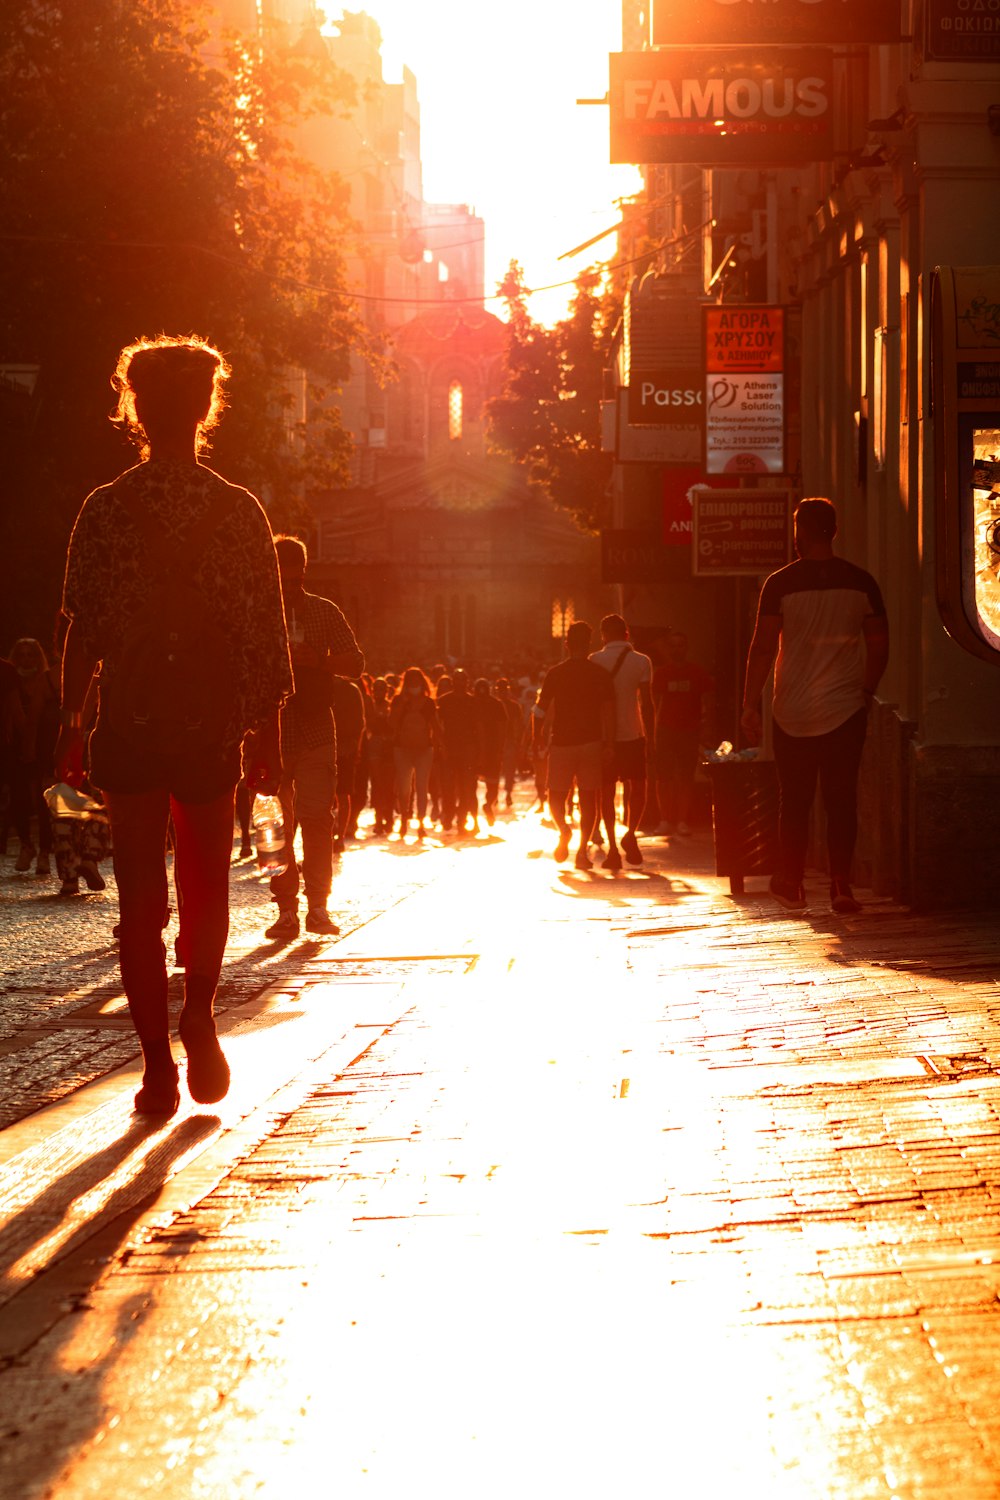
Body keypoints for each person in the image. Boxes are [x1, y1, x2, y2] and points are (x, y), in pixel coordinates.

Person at [56, 334, 292, 1117]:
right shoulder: (239, 512)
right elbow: (266, 634)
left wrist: (70, 722)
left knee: (139, 907)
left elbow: (80, 629)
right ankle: (202, 1011)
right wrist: (269, 739)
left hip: (130, 724)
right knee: (206, 887)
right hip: (209, 726)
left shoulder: (103, 509)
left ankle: (156, 1063)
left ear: (134, 409)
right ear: (206, 411)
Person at [741, 496, 889, 914]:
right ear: (834, 531)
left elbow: (763, 647)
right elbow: (879, 643)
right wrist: (866, 690)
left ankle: (792, 882)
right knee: (842, 798)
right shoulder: (862, 583)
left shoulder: (779, 583)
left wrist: (749, 703)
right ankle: (842, 886)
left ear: (801, 531)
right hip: (846, 709)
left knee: (796, 800)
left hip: (792, 711)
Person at [265, 535, 364, 942]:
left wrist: (319, 660)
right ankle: (286, 909)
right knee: (273, 826)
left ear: (303, 572)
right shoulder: (257, 613)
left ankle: (318, 906)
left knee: (316, 822)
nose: (284, 589)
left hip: (315, 729)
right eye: (278, 579)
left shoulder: (324, 612)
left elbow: (356, 663)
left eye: (290, 579)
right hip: (269, 731)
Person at [536, 621, 616, 870]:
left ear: (567, 644)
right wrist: (610, 744)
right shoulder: (600, 674)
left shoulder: (556, 673)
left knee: (556, 795)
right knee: (589, 798)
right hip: (591, 743)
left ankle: (563, 830)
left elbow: (539, 710)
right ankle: (582, 852)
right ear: (590, 643)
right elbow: (608, 713)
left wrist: (535, 736)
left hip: (562, 743)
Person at [590, 614, 653, 870]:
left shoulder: (594, 661)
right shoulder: (641, 661)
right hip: (633, 733)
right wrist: (651, 737)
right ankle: (631, 834)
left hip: (605, 738)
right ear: (626, 634)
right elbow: (647, 703)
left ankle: (613, 849)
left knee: (605, 793)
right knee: (637, 787)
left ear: (603, 635)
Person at [651, 631, 713, 837]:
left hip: (689, 730)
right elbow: (655, 703)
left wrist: (705, 727)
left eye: (681, 645)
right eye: (674, 645)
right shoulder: (661, 674)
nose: (677, 649)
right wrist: (654, 730)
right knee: (664, 777)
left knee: (685, 776)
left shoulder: (697, 672)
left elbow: (706, 701)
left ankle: (682, 820)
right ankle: (665, 819)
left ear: (686, 648)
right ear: (669, 648)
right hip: (666, 731)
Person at [6, 637, 60, 875]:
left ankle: (45, 852)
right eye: (22, 655)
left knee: (43, 800)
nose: (26, 660)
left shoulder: (46, 682)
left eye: (31, 655)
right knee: (18, 798)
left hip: (44, 747)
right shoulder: (11, 683)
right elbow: (14, 715)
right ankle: (26, 845)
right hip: (17, 745)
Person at [388, 666, 438, 836]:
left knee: (422, 786)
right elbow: (392, 724)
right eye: (411, 681)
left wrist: (441, 745)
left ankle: (420, 824)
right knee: (404, 788)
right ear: (406, 683)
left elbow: (435, 726)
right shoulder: (397, 701)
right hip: (402, 749)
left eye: (417, 681)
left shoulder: (429, 703)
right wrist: (401, 705)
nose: (414, 684)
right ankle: (403, 820)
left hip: (424, 749)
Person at [436, 668, 479, 833]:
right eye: (457, 680)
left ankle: (462, 818)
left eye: (463, 680)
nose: (460, 683)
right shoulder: (444, 701)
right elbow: (438, 725)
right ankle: (448, 814)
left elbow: (479, 727)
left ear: (467, 682)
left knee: (466, 786)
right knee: (447, 786)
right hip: (449, 747)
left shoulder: (472, 701)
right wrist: (440, 746)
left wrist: (478, 750)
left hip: (468, 748)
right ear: (453, 682)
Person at [473, 676, 508, 825]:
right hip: (477, 749)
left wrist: (500, 747)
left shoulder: (496, 704)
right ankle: (475, 815)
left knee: (490, 785)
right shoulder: (471, 704)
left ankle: (487, 806)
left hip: (490, 750)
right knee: (477, 786)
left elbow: (501, 726)